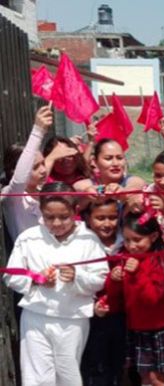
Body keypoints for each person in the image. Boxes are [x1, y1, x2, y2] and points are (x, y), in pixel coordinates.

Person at [2, 182, 108, 386]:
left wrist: (78, 276)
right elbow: (11, 276)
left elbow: (100, 279)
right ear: (41, 212)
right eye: (50, 217)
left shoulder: (89, 240)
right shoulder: (29, 238)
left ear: (75, 211)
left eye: (64, 217)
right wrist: (36, 279)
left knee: (67, 373)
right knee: (36, 375)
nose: (57, 223)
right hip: (35, 317)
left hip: (72, 319)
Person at [105, 212, 164, 386]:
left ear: (153, 237)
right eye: (127, 240)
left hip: (158, 329)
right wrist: (113, 280)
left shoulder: (158, 260)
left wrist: (137, 273)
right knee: (144, 377)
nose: (132, 246)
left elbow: (152, 298)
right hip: (136, 327)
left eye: (137, 240)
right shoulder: (124, 257)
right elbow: (115, 297)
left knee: (157, 378)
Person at [80, 199, 127, 386]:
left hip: (122, 315)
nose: (107, 223)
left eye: (112, 218)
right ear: (88, 220)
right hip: (92, 314)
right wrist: (92, 306)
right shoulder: (82, 244)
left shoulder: (126, 243)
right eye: (100, 218)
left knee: (118, 363)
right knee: (95, 365)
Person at [1, 105, 51, 243]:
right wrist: (38, 131)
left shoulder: (45, 193)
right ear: (13, 171)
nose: (43, 170)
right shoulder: (12, 196)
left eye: (43, 163)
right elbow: (19, 180)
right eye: (34, 167)